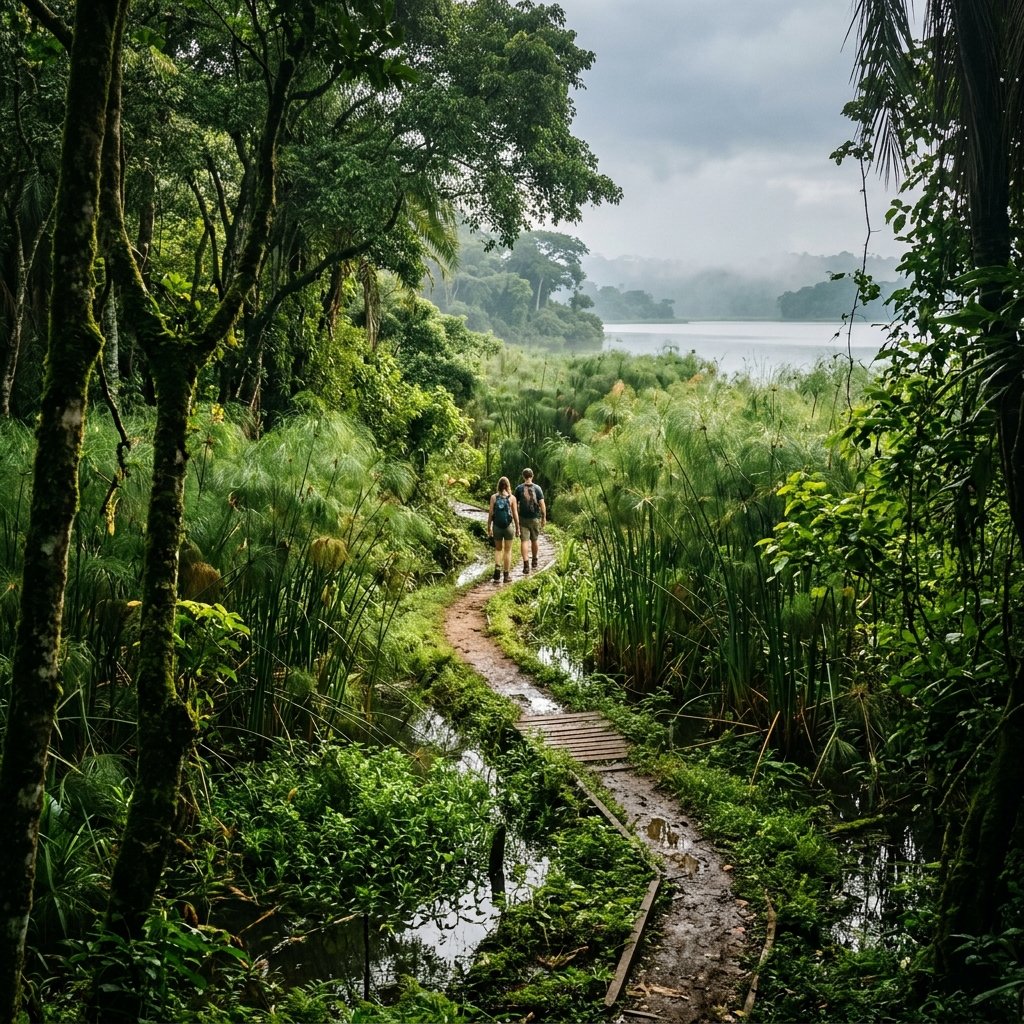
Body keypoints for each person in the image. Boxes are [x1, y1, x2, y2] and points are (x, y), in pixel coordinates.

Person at [486, 476, 519, 582]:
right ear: (508, 485)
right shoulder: (512, 498)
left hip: (497, 527)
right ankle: (506, 575)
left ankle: (497, 572)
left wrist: (489, 527)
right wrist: (517, 528)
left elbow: (491, 513)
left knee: (498, 549)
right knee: (508, 551)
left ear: (498, 485)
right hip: (508, 527)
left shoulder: (493, 497)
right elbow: (515, 515)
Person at [514, 467, 546, 575]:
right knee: (534, 540)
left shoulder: (519, 488)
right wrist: (544, 517)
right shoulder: (538, 488)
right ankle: (535, 561)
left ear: (523, 476)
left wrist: (515, 518)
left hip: (523, 519)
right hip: (535, 518)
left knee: (524, 541)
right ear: (532, 476)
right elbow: (542, 504)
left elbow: (514, 504)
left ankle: (526, 565)